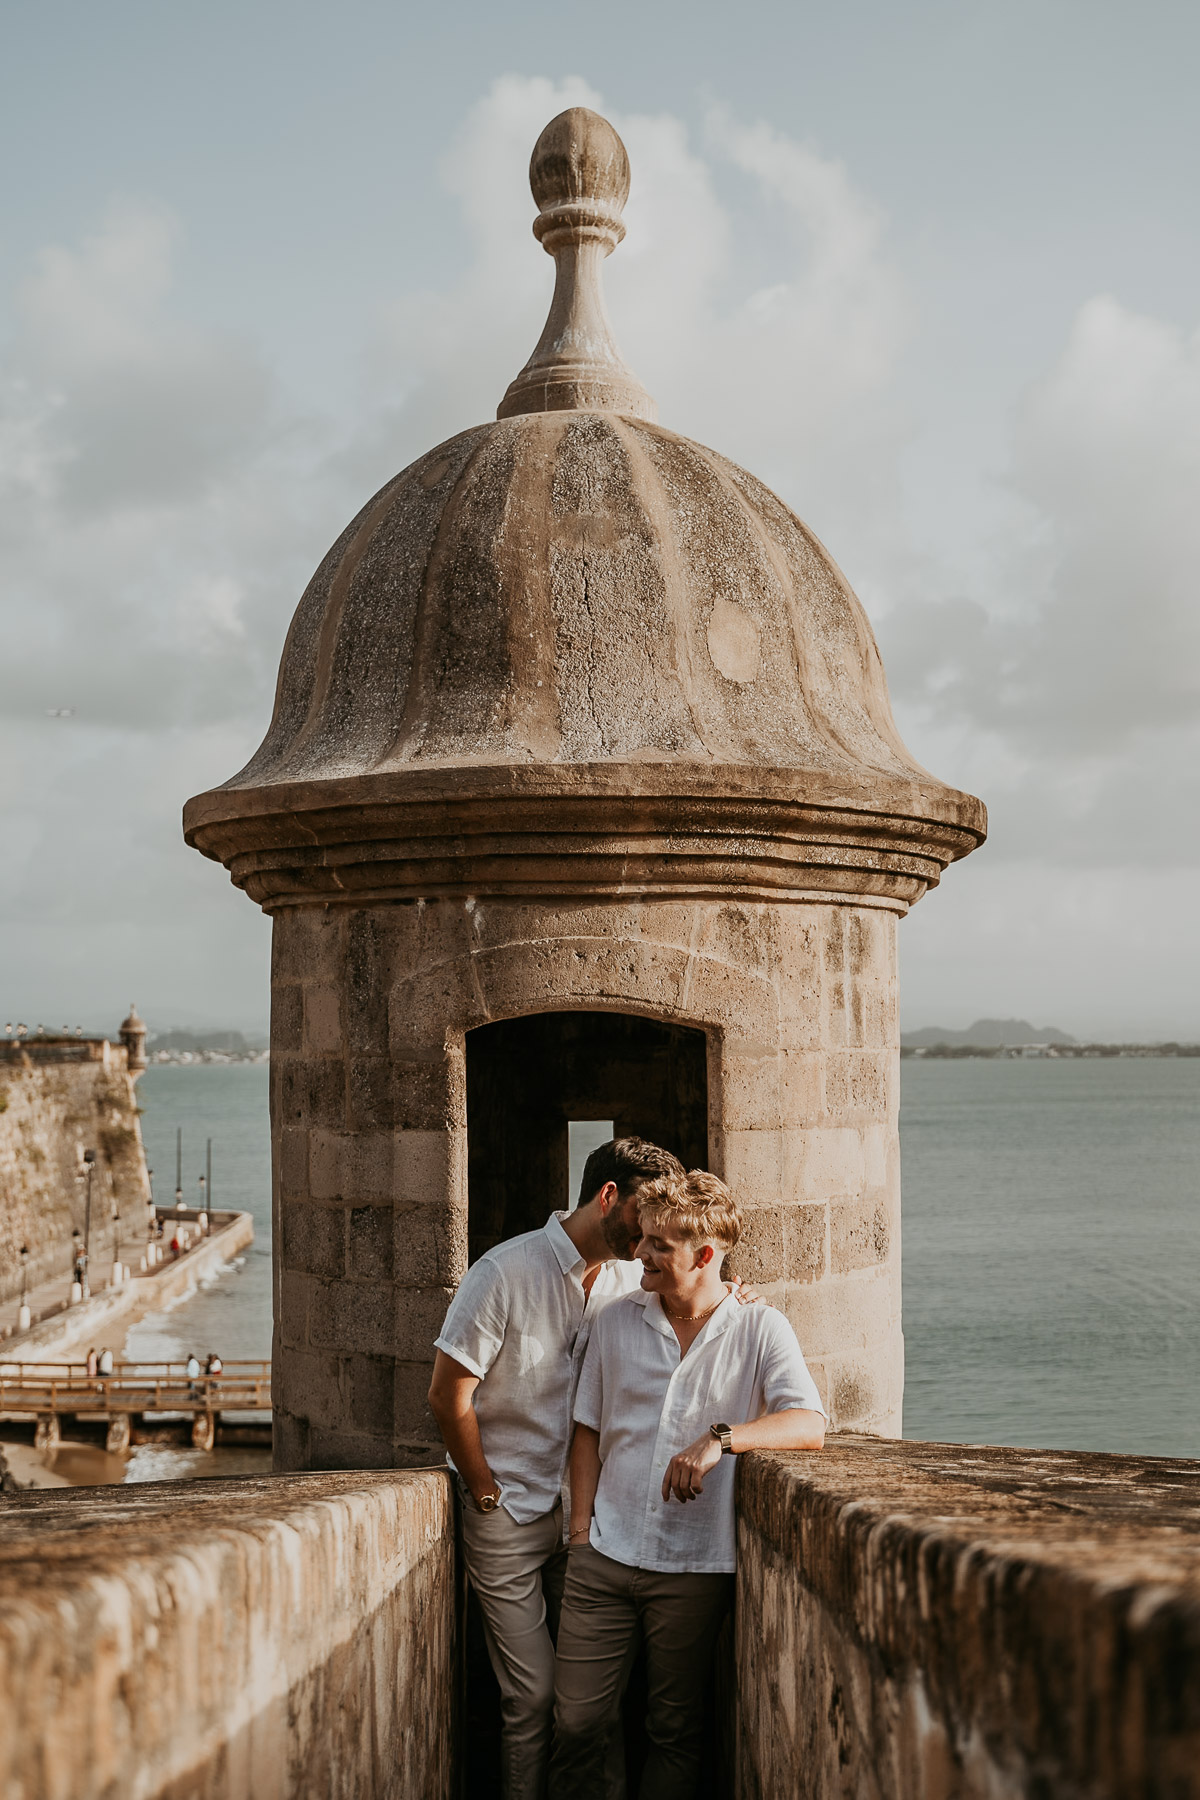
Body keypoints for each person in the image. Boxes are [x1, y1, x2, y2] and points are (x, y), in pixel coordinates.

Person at [549, 1170, 826, 1800]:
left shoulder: (760, 1328)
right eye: (642, 1238)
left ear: (704, 1256)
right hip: (603, 1555)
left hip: (694, 1569)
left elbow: (808, 1422)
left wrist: (720, 1439)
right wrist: (579, 1533)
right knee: (575, 1723)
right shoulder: (616, 1320)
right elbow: (587, 1429)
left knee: (675, 1731)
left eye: (657, 1246)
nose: (639, 1253)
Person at [427, 1138, 685, 1800]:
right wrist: (484, 1493)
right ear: (607, 1196)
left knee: (591, 1703)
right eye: (644, 1214)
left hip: (585, 1518)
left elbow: (696, 1305)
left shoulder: (634, 1277)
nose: (652, 1235)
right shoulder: (504, 1273)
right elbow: (447, 1393)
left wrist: (736, 1293)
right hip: (505, 1515)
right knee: (532, 1697)